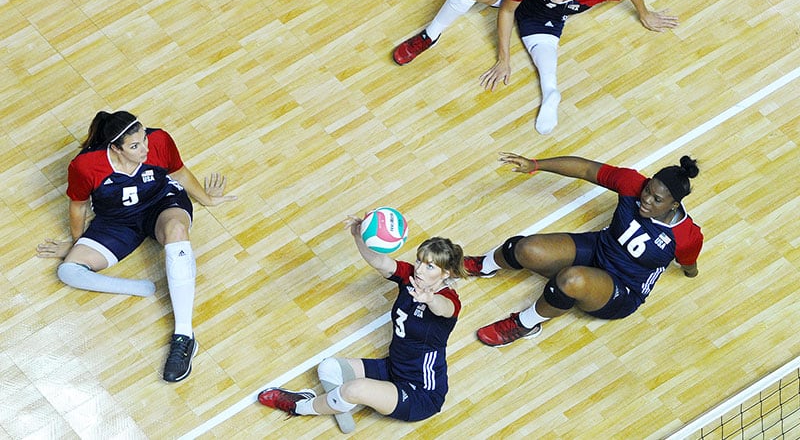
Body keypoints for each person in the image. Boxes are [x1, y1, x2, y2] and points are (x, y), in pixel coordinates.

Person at [36, 110, 236, 382]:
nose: (145, 149)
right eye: (135, 146)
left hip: (162, 205)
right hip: (117, 222)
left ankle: (184, 336)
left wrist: (206, 199)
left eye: (144, 140)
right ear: (115, 148)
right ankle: (140, 288)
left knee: (177, 231)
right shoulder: (85, 166)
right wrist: (76, 243)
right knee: (68, 271)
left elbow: (179, 172)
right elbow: (78, 205)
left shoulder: (160, 140)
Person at [392, 0, 679, 134]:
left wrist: (645, 13)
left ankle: (551, 94)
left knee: (546, 62)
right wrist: (504, 59)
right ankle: (429, 36)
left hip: (542, 17)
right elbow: (507, 10)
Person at [465, 152, 702, 347]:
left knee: (570, 281)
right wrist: (535, 164)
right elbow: (587, 169)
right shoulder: (632, 184)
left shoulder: (686, 236)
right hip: (598, 249)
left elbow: (689, 265)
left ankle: (525, 324)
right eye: (648, 190)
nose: (647, 199)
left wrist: (691, 273)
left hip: (623, 289)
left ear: (674, 205)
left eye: (657, 200)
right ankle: (485, 266)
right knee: (525, 248)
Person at [258, 215, 467, 430]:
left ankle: (300, 406)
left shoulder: (448, 300)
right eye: (419, 261)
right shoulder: (410, 278)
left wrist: (430, 299)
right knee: (328, 367)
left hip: (420, 393)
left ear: (446, 273)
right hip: (392, 367)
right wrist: (359, 237)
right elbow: (381, 262)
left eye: (430, 266)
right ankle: (338, 406)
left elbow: (445, 309)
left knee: (354, 390)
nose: (420, 270)